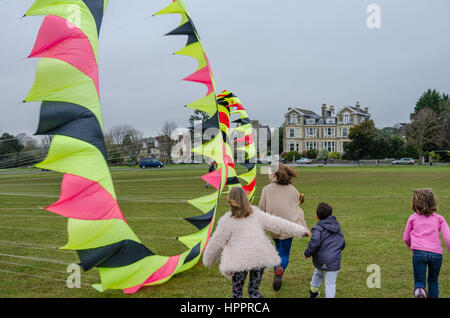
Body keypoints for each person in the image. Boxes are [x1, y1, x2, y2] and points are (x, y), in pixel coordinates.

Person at [203, 187, 308, 298]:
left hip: (239, 261)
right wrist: (299, 230)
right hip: (259, 256)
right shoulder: (255, 214)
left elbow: (216, 242)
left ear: (230, 201)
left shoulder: (227, 220)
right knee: (254, 291)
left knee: (237, 293)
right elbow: (277, 223)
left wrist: (208, 260)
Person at [258, 163, 309, 291]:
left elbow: (260, 209)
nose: (268, 175)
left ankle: (278, 270)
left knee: (278, 249)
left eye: (270, 173)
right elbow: (296, 208)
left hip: (273, 226)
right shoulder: (292, 189)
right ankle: (279, 270)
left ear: (275, 174)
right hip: (287, 227)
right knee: (284, 253)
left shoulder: (266, 189)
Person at [403, 188, 450, 298]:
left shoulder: (413, 217)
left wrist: (412, 246)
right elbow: (448, 237)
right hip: (436, 254)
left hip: (419, 253)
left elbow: (406, 237)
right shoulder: (439, 218)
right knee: (433, 281)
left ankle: (419, 291)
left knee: (419, 281)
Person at [304, 202, 345, 298]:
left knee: (318, 272)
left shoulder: (317, 228)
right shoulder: (337, 227)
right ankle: (315, 292)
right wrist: (338, 250)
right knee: (330, 283)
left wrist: (307, 253)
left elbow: (314, 242)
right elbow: (342, 242)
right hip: (333, 259)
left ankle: (313, 292)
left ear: (317, 216)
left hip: (320, 258)